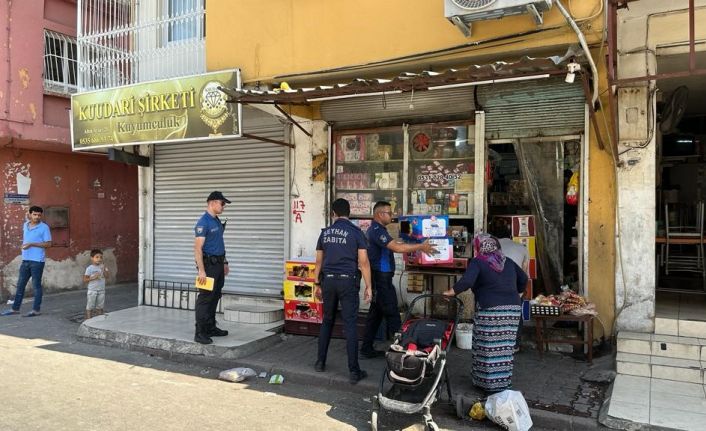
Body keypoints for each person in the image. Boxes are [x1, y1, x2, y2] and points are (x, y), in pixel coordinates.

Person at [443, 233, 527, 394]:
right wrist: (515, 291)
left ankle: (486, 383)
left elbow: (467, 281)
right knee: (505, 347)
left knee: (486, 346)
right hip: (512, 310)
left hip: (490, 310)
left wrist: (450, 292)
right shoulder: (507, 261)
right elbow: (523, 279)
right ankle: (502, 382)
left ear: (479, 247)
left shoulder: (479, 261)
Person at [360, 201, 437, 358]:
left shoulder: (380, 230)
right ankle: (401, 351)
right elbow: (396, 247)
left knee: (375, 314)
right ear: (380, 214)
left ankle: (366, 348)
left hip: (381, 278)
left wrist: (411, 243)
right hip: (381, 278)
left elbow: (396, 244)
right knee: (393, 314)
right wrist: (420, 247)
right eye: (389, 212)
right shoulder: (376, 230)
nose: (392, 215)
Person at [312, 198, 372, 384]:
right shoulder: (356, 233)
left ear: (333, 213)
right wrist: (369, 286)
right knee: (350, 324)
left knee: (327, 321)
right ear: (349, 212)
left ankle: (320, 362)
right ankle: (354, 371)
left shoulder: (325, 233)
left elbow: (319, 261)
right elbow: (363, 262)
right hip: (348, 282)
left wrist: (316, 284)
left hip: (328, 282)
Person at [193, 191, 231, 344]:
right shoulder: (203, 222)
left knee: (215, 296)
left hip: (218, 265)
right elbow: (197, 249)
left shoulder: (216, 220)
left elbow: (219, 244)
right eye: (222, 203)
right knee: (205, 298)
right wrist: (201, 270)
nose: (224, 207)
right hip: (207, 266)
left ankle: (210, 327)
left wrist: (225, 262)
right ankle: (200, 332)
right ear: (212, 203)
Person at [1, 206, 52, 317]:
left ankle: (36, 310)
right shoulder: (25, 225)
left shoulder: (44, 227)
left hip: (37, 261)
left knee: (36, 286)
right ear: (30, 214)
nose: (37, 217)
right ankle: (15, 309)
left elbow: (49, 244)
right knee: (20, 285)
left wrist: (31, 244)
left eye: (39, 215)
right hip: (25, 260)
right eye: (34, 214)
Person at [84, 249, 108, 319]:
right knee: (90, 306)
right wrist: (93, 277)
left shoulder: (104, 267)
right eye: (97, 257)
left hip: (101, 290)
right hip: (92, 290)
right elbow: (85, 279)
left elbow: (107, 276)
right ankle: (89, 320)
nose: (99, 259)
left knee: (100, 307)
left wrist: (104, 269)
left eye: (101, 257)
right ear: (92, 258)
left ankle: (100, 320)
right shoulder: (89, 268)